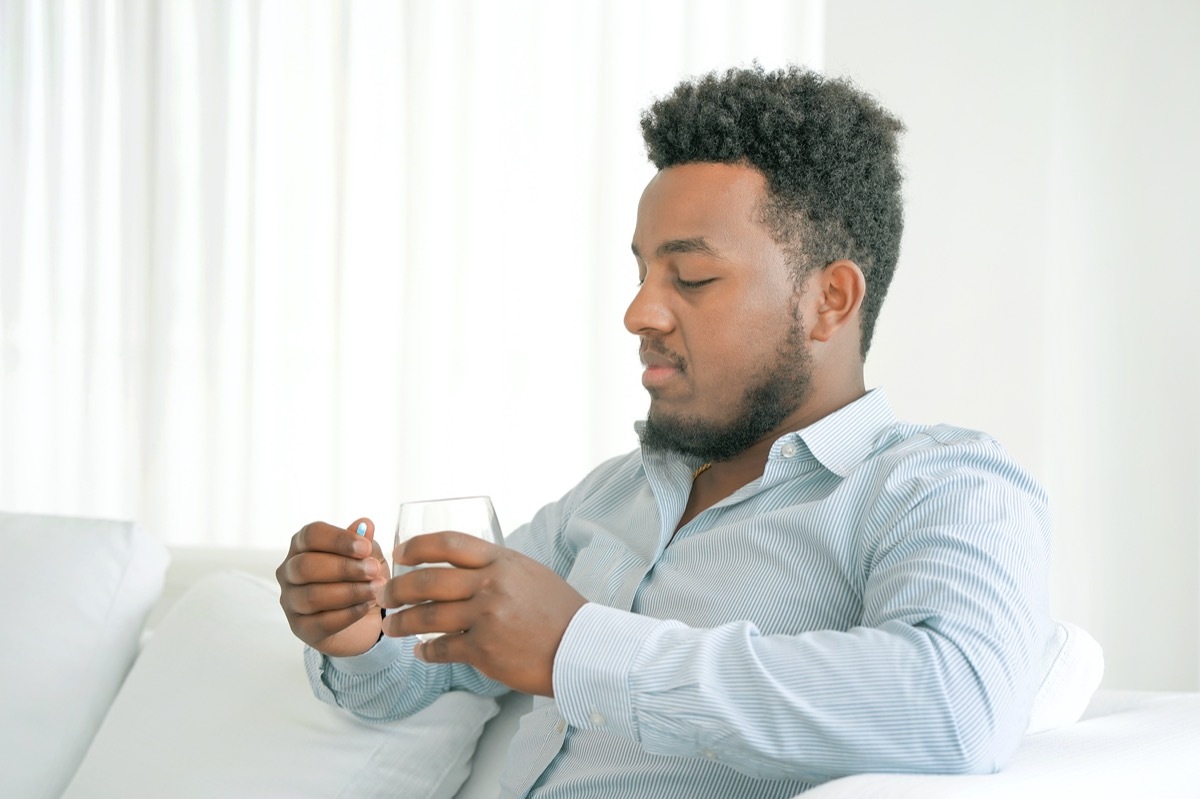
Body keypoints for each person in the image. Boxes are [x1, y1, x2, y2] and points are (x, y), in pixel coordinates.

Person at [277, 64, 1054, 798]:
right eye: (642, 272)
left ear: (831, 299)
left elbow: (958, 706)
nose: (638, 313)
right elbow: (424, 670)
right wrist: (358, 629)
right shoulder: (613, 495)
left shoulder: (941, 485)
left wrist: (578, 648)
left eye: (692, 278)